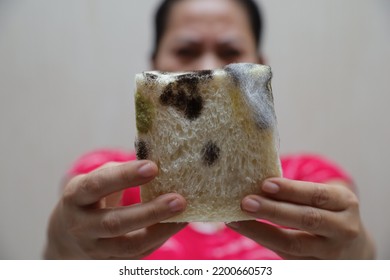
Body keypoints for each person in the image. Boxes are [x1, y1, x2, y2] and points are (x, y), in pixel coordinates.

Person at [44, 0, 375, 259]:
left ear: (259, 66)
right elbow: (59, 259)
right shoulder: (105, 187)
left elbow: (357, 252)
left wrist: (356, 255)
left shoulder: (307, 180)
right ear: (154, 62)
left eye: (230, 52)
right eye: (185, 51)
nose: (207, 66)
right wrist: (64, 248)